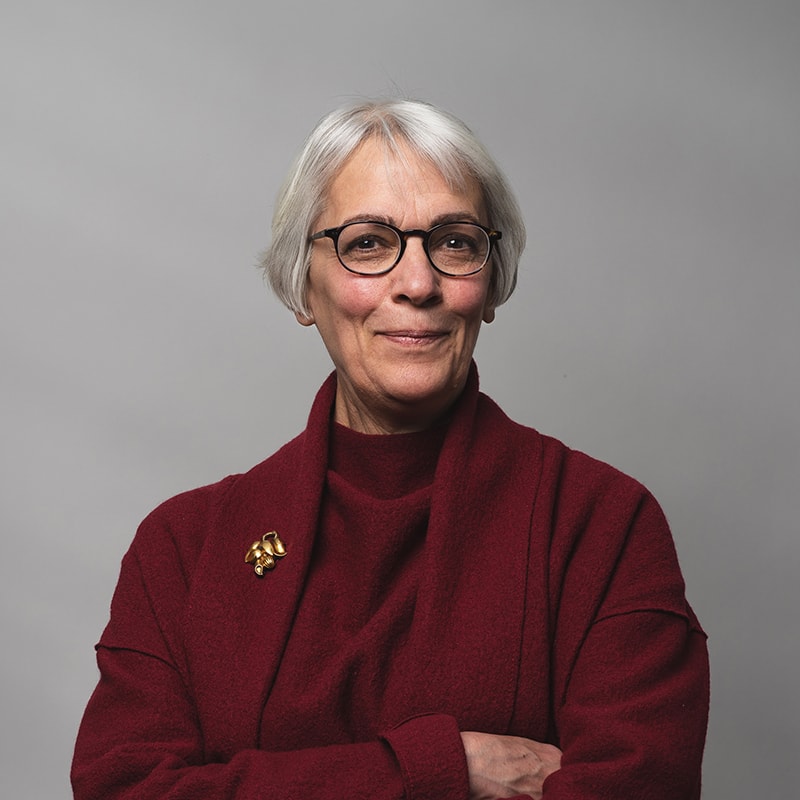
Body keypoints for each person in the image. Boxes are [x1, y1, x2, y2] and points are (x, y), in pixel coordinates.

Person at [71, 99, 709, 800]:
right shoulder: (182, 550)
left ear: (490, 285)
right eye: (369, 243)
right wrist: (438, 769)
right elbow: (122, 789)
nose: (418, 284)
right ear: (301, 285)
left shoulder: (603, 526)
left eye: (456, 242)